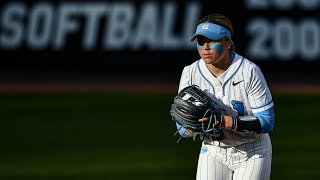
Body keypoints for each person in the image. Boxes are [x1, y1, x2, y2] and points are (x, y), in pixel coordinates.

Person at [175, 13, 275, 180]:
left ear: (228, 42)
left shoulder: (248, 71)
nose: (205, 47)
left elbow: (267, 121)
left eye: (212, 40)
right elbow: (182, 128)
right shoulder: (190, 72)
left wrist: (224, 121)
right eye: (201, 41)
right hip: (214, 150)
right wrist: (190, 127)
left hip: (253, 152)